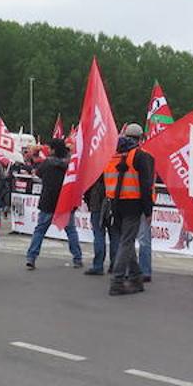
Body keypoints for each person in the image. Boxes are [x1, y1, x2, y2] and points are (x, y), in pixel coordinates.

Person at [105, 123, 155, 296]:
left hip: (114, 203)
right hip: (133, 204)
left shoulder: (113, 154)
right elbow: (146, 186)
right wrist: (148, 211)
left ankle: (136, 276)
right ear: (141, 138)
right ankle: (117, 281)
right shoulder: (140, 155)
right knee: (126, 243)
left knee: (125, 241)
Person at [25, 138, 82, 269]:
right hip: (65, 202)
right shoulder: (70, 164)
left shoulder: (47, 163)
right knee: (71, 231)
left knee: (40, 230)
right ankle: (77, 258)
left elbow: (38, 173)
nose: (48, 151)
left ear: (54, 150)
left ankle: (31, 257)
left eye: (50, 149)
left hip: (48, 201)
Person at [82, 175, 108, 276]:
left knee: (98, 234)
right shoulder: (114, 166)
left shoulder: (95, 170)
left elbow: (87, 188)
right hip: (112, 203)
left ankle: (98, 265)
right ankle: (115, 265)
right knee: (115, 235)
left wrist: (88, 202)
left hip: (96, 202)